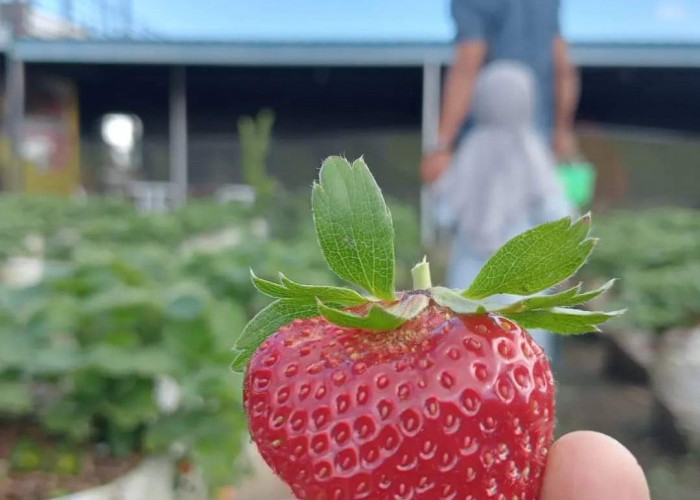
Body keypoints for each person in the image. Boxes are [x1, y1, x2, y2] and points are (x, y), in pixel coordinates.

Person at [430, 61, 573, 358]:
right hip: (522, 275)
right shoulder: (531, 149)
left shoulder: (471, 148)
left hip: (469, 276)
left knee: (469, 349)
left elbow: (443, 212)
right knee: (523, 353)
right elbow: (559, 215)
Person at [421, 0, 579, 183]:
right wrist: (562, 131)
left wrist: (442, 145)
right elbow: (563, 67)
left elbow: (468, 66)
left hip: (485, 145)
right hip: (539, 139)